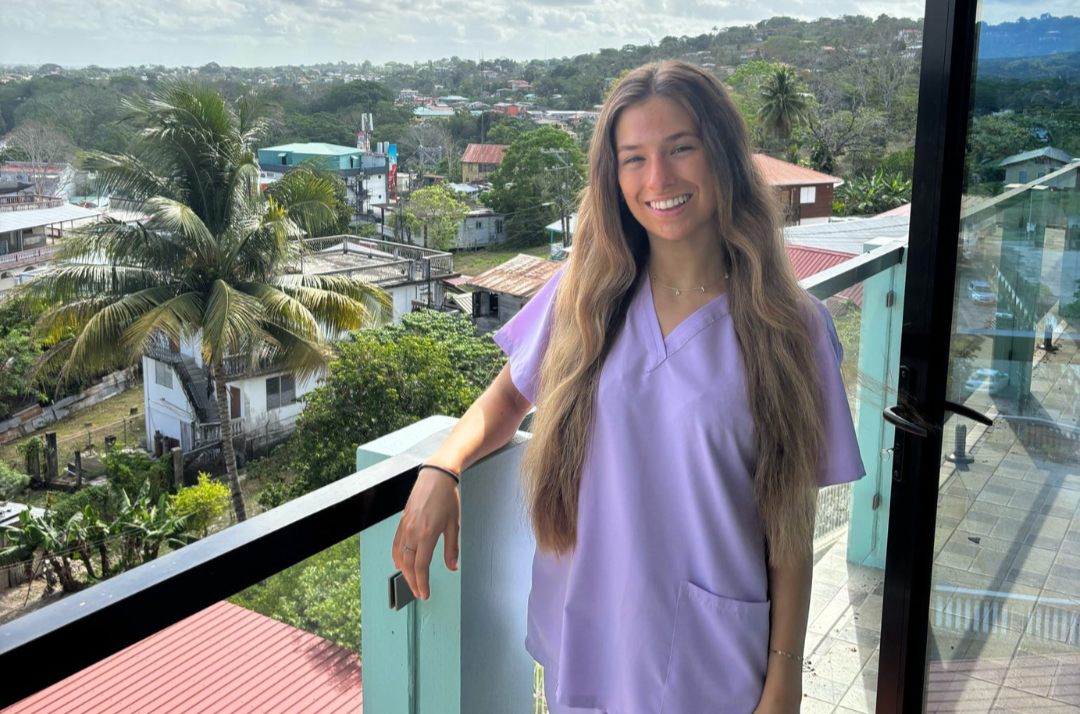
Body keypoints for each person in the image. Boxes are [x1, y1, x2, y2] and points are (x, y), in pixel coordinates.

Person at [392, 60, 864, 714]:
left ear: (722, 155)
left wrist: (784, 675)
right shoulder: (584, 295)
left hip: (710, 660)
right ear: (612, 177)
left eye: (681, 149)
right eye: (633, 158)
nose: (659, 179)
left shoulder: (790, 329)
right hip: (586, 635)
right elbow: (504, 401)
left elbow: (789, 523)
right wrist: (441, 468)